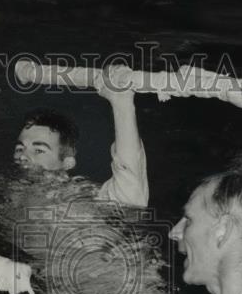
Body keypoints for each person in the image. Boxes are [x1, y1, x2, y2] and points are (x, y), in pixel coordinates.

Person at [13, 64, 148, 207]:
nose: (22, 156)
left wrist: (121, 103)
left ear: (67, 162)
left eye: (39, 150)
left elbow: (131, 198)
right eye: (19, 148)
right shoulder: (11, 192)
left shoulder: (76, 198)